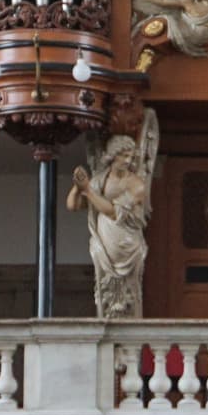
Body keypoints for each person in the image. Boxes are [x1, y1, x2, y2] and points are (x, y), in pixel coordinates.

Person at [69, 133, 152, 319]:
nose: (129, 160)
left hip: (126, 243)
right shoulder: (100, 179)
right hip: (104, 243)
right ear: (113, 155)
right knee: (105, 291)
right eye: (124, 155)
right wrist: (78, 187)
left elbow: (113, 212)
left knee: (130, 292)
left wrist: (87, 190)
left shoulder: (136, 185)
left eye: (131, 156)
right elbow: (73, 205)